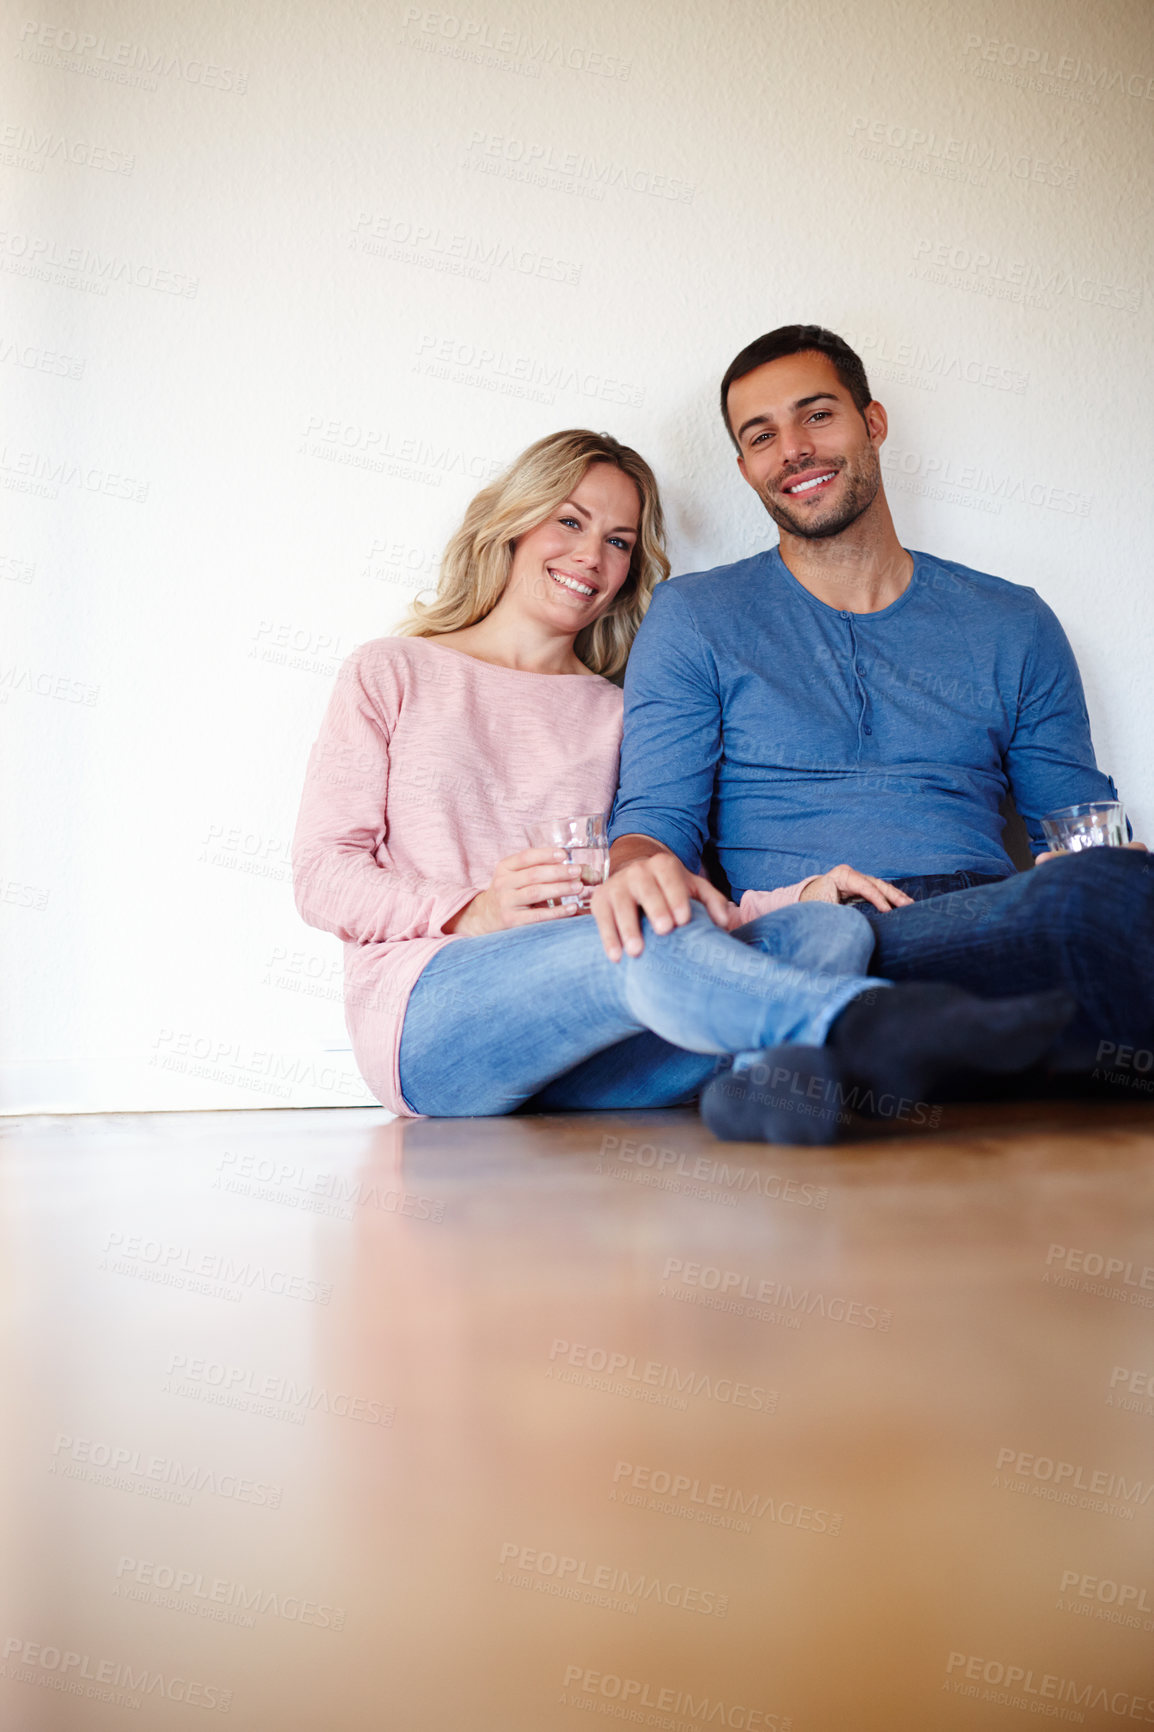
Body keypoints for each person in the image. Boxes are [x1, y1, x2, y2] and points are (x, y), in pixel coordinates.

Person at [292, 429, 1073, 1142]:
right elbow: (323, 877)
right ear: (512, 521)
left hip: (598, 1051)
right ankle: (873, 1026)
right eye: (569, 521)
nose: (592, 557)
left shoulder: (616, 711)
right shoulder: (392, 672)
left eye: (619, 540)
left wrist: (797, 896)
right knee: (631, 948)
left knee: (831, 935)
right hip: (436, 1018)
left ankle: (767, 1089)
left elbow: (658, 893)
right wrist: (473, 910)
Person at [595, 326, 1151, 1129]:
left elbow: (1074, 826)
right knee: (1084, 921)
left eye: (817, 415)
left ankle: (851, 1069)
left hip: (989, 920)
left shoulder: (1013, 621)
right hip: (817, 928)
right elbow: (656, 827)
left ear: (873, 423)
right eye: (761, 436)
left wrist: (1116, 871)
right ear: (746, 468)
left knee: (1105, 898)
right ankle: (904, 1049)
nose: (792, 449)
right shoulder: (695, 617)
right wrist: (635, 868)